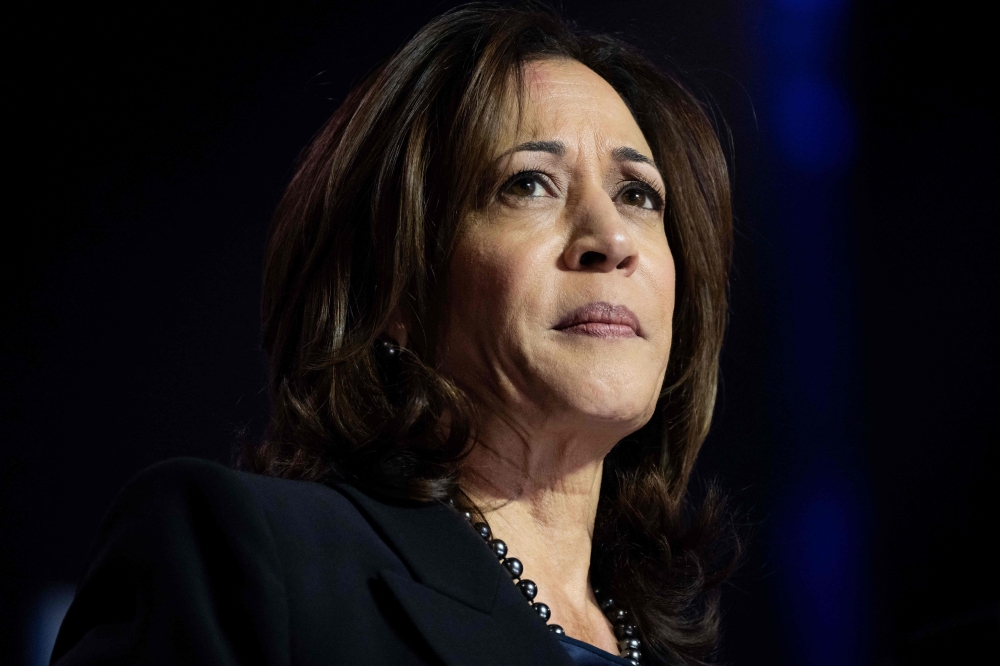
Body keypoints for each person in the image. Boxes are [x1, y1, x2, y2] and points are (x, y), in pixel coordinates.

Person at [51, 4, 735, 665]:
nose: (611, 240)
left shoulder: (672, 648)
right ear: (398, 288)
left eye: (639, 195)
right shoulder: (244, 557)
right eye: (528, 184)